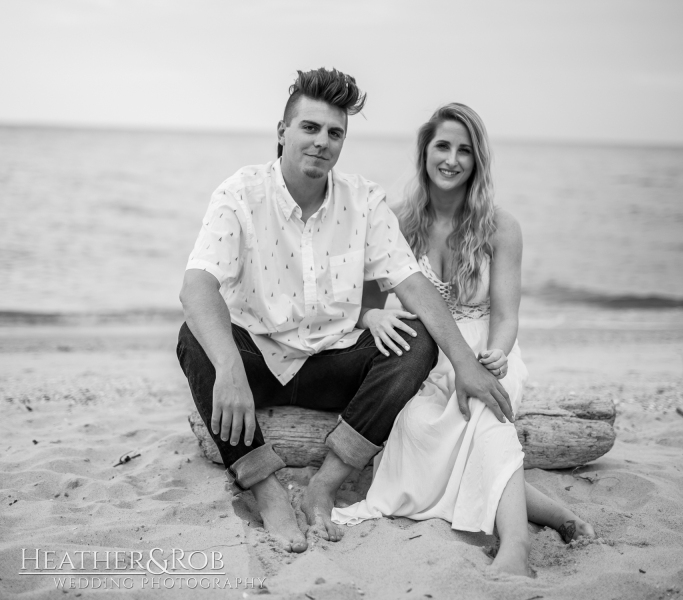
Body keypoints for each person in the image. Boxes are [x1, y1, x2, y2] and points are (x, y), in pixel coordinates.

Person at [176, 70, 516, 554]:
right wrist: (229, 367)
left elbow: (412, 283)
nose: (322, 142)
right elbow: (197, 286)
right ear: (282, 132)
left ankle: (325, 485)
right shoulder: (240, 193)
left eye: (335, 133)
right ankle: (266, 489)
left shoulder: (364, 200)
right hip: (259, 361)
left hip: (331, 364)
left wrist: (464, 363)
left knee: (417, 341)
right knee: (194, 336)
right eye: (310, 128)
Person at [332, 103, 594, 576]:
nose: (451, 159)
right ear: (425, 152)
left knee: (484, 414)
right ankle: (559, 515)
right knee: (418, 431)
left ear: (478, 160)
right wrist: (373, 317)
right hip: (421, 354)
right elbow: (360, 304)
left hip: (484, 349)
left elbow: (507, 316)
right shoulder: (393, 220)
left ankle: (514, 546)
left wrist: (496, 354)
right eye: (442, 146)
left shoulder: (500, 227)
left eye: (464, 150)